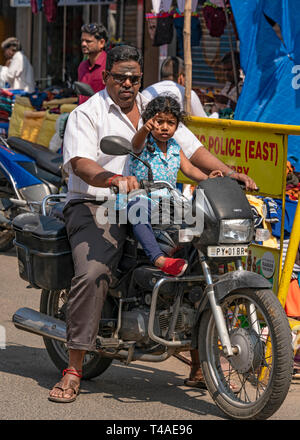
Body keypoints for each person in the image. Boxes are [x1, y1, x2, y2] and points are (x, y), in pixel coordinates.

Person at [48, 45, 257, 403]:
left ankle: (199, 361)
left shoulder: (156, 110)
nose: (127, 83)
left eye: (134, 77)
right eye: (120, 77)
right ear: (106, 76)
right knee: (94, 270)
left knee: (200, 256)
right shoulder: (88, 113)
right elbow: (81, 163)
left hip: (154, 203)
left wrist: (229, 172)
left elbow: (192, 152)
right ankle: (74, 367)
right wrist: (109, 179)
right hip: (97, 203)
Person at [121, 95, 222, 277]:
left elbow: (190, 169)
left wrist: (208, 178)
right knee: (138, 210)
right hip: (143, 197)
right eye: (159, 121)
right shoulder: (143, 143)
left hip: (170, 201)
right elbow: (135, 145)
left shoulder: (175, 147)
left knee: (200, 218)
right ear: (149, 121)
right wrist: (144, 129)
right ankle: (159, 259)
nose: (165, 127)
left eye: (171, 123)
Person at [142, 56, 208, 118]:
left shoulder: (146, 92)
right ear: (181, 78)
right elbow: (204, 121)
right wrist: (215, 113)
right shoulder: (188, 94)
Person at [77, 23, 108, 104]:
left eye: (88, 41)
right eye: (82, 40)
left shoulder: (110, 65)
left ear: (101, 43)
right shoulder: (82, 66)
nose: (83, 44)